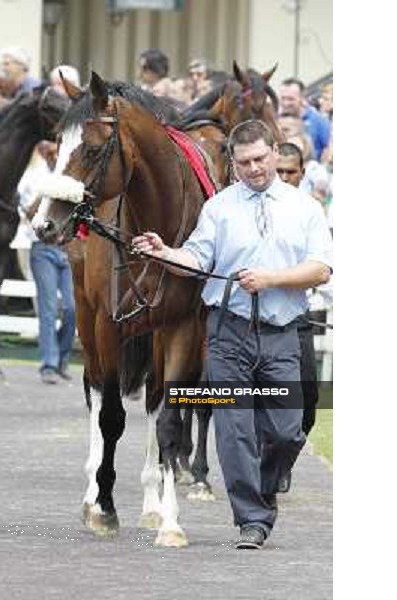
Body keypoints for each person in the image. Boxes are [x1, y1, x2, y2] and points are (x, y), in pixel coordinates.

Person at [132, 120, 332, 549]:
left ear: (275, 153)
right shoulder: (219, 208)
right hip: (229, 332)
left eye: (260, 159)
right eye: (244, 163)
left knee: (287, 431)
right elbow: (197, 256)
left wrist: (272, 280)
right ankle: (252, 520)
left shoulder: (306, 209)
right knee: (233, 428)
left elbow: (321, 269)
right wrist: (165, 252)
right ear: (233, 163)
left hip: (282, 333)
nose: (254, 169)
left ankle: (262, 490)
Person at [11, 65, 78, 385]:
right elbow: (24, 207)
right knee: (49, 307)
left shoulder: (67, 169)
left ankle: (63, 358)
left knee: (73, 309)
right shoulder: (33, 173)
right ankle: (48, 364)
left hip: (67, 246)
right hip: (41, 245)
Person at [275, 142, 327, 492]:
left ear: (302, 173)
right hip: (255, 318)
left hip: (300, 313)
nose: (282, 177)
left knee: (308, 399)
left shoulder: (312, 211)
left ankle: (285, 459)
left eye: (289, 172)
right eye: (277, 171)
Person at [278, 77, 331, 161]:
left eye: (290, 99)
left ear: (302, 98)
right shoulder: (275, 120)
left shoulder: (319, 121)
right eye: (283, 98)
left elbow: (327, 151)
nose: (285, 103)